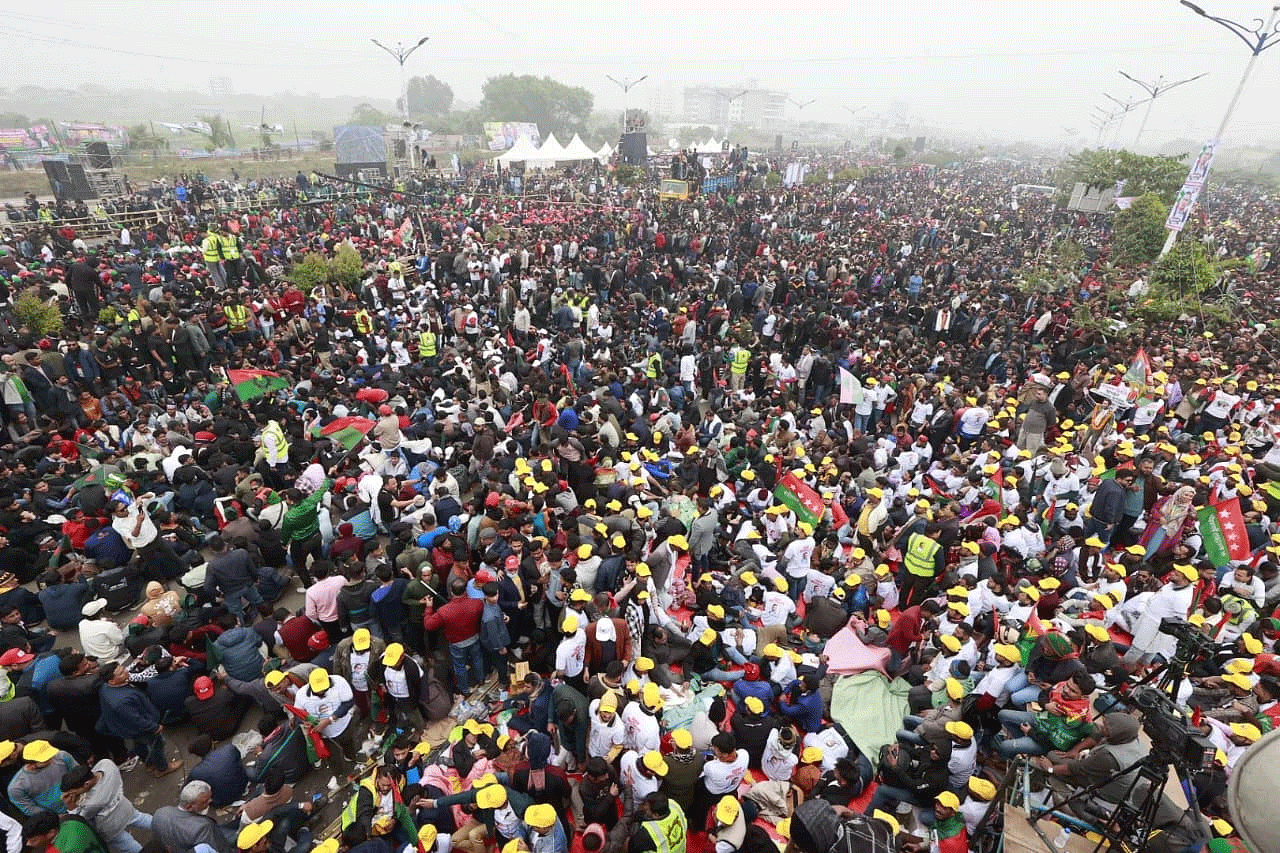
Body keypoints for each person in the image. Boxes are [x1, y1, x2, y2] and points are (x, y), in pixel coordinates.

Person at [96, 663, 184, 778]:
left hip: (126, 728)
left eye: (123, 669)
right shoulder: (122, 701)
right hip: (139, 728)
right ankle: (163, 768)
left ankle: (149, 763)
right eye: (121, 673)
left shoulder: (105, 688)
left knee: (139, 745)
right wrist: (154, 727)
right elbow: (136, 720)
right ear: (112, 681)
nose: (126, 672)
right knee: (157, 744)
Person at [59, 760, 152, 853]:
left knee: (127, 844)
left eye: (74, 792)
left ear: (86, 784)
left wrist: (70, 805)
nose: (73, 794)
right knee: (143, 819)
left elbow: (81, 817)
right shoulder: (107, 764)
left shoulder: (92, 803)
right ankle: (164, 827)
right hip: (125, 808)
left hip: (111, 826)